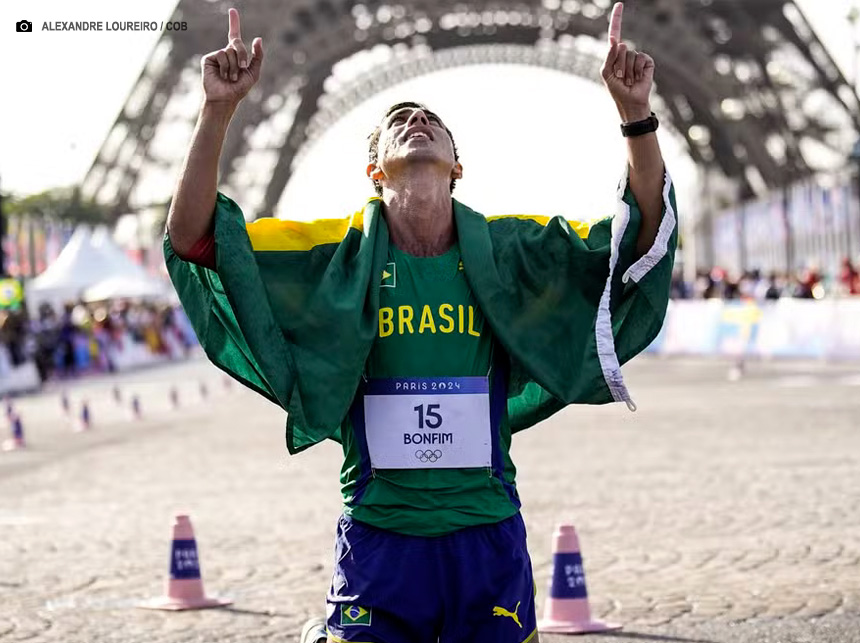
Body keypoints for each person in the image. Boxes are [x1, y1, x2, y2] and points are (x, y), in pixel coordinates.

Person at [165, 4, 677, 642]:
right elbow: (193, 239)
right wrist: (217, 111)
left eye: (433, 120)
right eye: (399, 121)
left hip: (485, 533)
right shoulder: (330, 257)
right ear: (375, 171)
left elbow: (638, 241)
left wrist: (635, 115)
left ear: (458, 168)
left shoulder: (512, 252)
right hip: (381, 540)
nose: (417, 120)